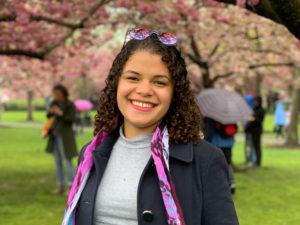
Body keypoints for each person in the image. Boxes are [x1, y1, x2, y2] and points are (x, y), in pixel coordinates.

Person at [62, 28, 239, 225]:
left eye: (159, 82)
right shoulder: (90, 154)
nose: (144, 90)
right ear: (116, 84)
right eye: (133, 78)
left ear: (175, 93)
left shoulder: (205, 160)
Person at [45, 84, 78, 196]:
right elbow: (49, 117)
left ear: (63, 93)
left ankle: (70, 186)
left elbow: (71, 119)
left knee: (67, 161)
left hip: (65, 137)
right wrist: (51, 111)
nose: (56, 96)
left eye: (58, 94)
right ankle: (60, 185)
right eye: (55, 94)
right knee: (57, 162)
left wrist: (60, 113)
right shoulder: (54, 103)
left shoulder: (70, 104)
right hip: (54, 136)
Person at [203, 117, 237, 194]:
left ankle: (220, 184)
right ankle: (231, 183)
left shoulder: (214, 116)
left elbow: (209, 132)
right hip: (228, 144)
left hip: (217, 143)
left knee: (217, 165)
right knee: (228, 163)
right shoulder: (231, 116)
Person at [246, 96, 265, 167]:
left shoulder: (261, 110)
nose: (255, 103)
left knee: (257, 146)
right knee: (252, 146)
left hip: (257, 130)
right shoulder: (253, 109)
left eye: (256, 101)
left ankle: (258, 162)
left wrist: (253, 119)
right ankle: (252, 160)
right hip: (251, 130)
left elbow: (260, 120)